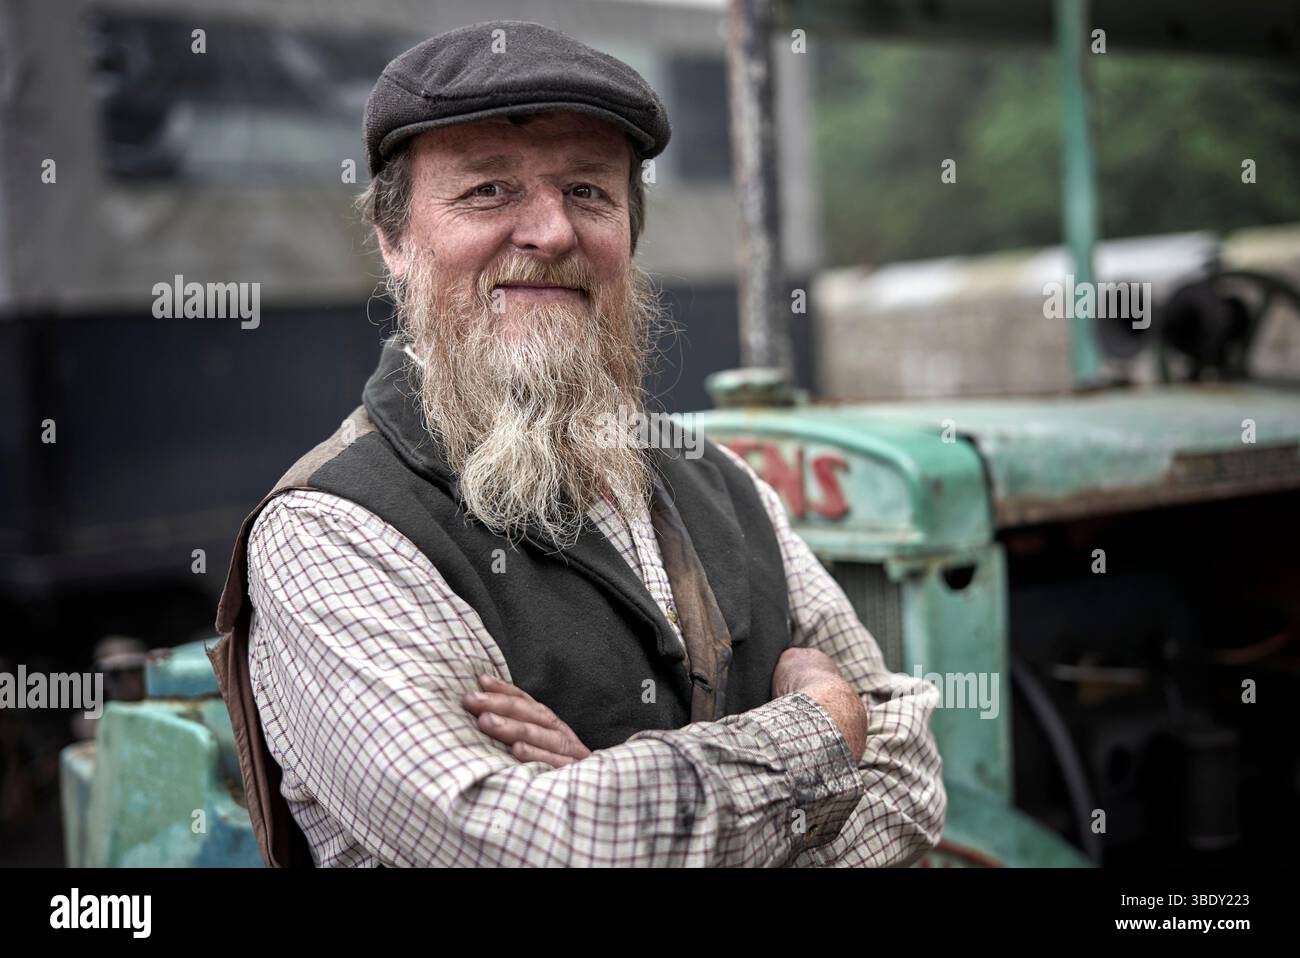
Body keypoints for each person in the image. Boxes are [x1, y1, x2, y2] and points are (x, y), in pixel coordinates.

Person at [208, 19, 945, 867]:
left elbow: (909, 779)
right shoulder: (334, 536)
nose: (551, 233)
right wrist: (818, 728)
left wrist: (613, 786)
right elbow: (537, 850)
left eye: (589, 192)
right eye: (489, 190)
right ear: (395, 240)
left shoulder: (722, 483)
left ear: (628, 232)